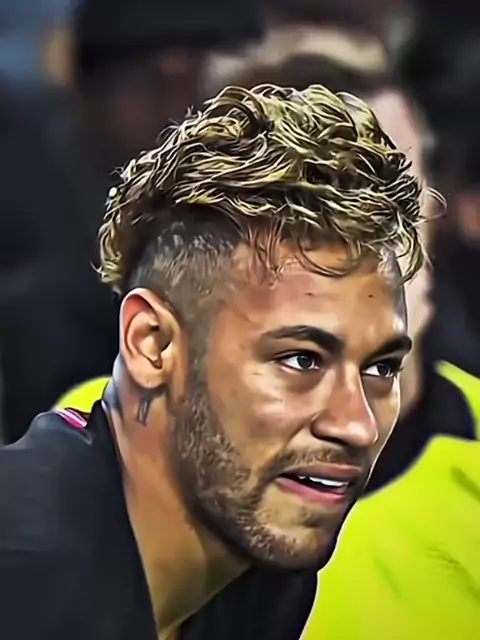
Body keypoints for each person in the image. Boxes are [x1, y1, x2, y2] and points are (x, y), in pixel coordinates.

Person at [0, 84, 423, 640]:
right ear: (152, 344)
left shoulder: (264, 573)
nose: (357, 425)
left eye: (381, 368)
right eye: (302, 360)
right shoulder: (22, 572)